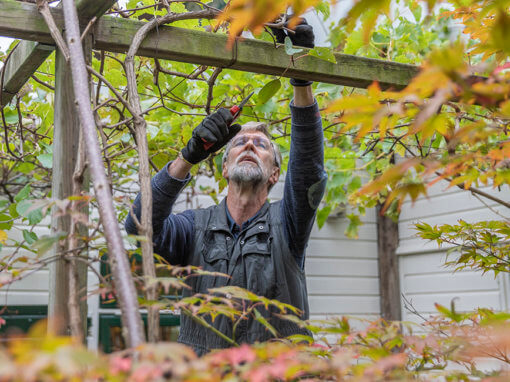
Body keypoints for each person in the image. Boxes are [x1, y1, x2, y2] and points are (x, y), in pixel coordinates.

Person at [125, 18, 327, 356]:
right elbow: (138, 227)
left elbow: (308, 168)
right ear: (223, 167)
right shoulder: (193, 228)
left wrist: (301, 78)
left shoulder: (288, 225)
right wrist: (188, 157)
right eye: (241, 142)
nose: (249, 145)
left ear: (274, 174)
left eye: (261, 145)